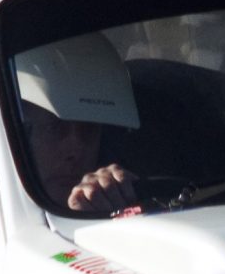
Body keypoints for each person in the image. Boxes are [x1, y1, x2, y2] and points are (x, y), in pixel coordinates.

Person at [15, 32, 142, 212]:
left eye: (88, 129)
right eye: (54, 128)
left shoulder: (124, 202)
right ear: (21, 134)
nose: (75, 150)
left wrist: (111, 203)